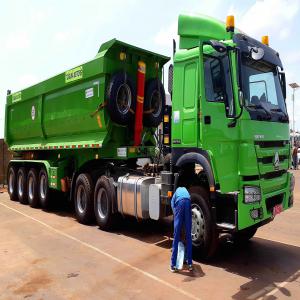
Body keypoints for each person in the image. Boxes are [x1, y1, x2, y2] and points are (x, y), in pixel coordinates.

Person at [170, 181, 193, 272]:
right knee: (188, 236)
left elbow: (173, 207)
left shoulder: (175, 194)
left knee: (176, 237)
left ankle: (173, 265)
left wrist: (177, 224)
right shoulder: (186, 192)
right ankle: (189, 262)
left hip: (180, 203)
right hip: (188, 202)